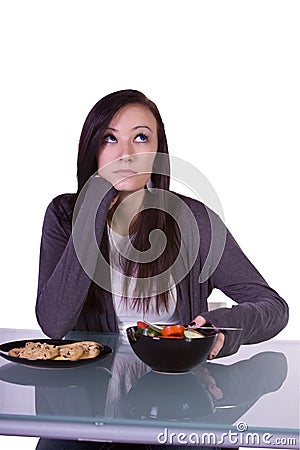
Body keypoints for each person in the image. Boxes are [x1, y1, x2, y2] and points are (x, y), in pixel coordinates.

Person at [35, 89, 288, 450]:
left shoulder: (195, 221)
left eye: (141, 137)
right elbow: (53, 323)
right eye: (110, 138)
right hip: (85, 414)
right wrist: (93, 208)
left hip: (174, 408)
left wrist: (222, 330)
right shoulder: (64, 216)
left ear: (157, 152)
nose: (126, 154)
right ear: (93, 149)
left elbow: (272, 307)